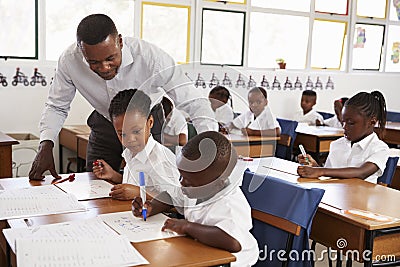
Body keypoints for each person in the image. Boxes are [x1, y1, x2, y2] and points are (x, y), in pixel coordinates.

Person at [29, 13, 217, 180]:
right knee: (96, 181)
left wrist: (212, 148)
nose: (104, 68)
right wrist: (46, 145)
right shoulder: (69, 60)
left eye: (110, 59)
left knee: (151, 182)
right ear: (81, 50)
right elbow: (57, 106)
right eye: (93, 62)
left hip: (145, 123)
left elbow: (194, 102)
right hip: (104, 122)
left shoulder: (152, 58)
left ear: (120, 41)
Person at [132, 131, 259, 267]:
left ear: (217, 183)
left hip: (229, 261)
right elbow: (171, 197)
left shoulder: (229, 205)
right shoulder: (196, 189)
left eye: (189, 181)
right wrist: (151, 207)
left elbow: (233, 242)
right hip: (200, 251)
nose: (182, 183)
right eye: (181, 176)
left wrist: (187, 227)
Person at [92, 89, 181, 202]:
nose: (130, 139)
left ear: (150, 123)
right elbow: (135, 184)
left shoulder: (160, 160)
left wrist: (140, 193)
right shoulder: (130, 153)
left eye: (136, 131)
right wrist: (113, 176)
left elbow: (177, 202)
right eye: (122, 134)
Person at [297, 91, 389, 184]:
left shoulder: (379, 148)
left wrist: (320, 171)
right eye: (343, 122)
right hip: (336, 195)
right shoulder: (337, 144)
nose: (344, 127)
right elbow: (330, 173)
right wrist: (314, 166)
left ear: (372, 122)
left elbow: (361, 173)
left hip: (362, 197)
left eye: (351, 123)